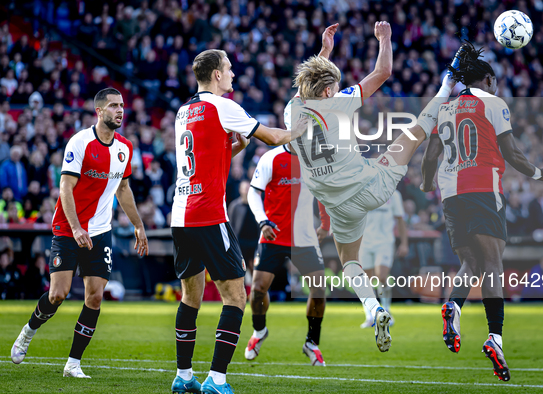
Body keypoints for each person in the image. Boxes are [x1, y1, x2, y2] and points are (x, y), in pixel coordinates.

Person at [285, 22, 445, 353]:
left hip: (339, 206)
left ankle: (372, 308)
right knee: (411, 134)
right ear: (330, 90)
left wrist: (325, 53)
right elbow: (383, 71)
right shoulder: (339, 102)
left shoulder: (292, 111)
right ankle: (447, 88)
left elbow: (306, 86)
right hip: (371, 186)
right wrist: (384, 38)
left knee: (350, 262)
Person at [420, 42, 543, 381]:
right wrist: (539, 174)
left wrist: (429, 183)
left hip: (452, 195)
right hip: (484, 189)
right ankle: (495, 336)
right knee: (492, 264)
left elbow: (430, 158)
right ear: (487, 79)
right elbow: (512, 154)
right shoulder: (493, 103)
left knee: (470, 263)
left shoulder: (444, 108)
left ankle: (454, 305)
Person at [170, 49, 307, 394]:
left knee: (191, 297)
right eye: (229, 69)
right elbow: (274, 138)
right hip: (208, 214)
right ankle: (217, 380)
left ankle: (183, 377)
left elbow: (208, 157)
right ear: (216, 74)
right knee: (235, 297)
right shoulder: (223, 106)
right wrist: (301, 128)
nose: (233, 74)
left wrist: (239, 146)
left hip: (181, 214)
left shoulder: (184, 111)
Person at [10, 88, 149, 378]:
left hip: (100, 231)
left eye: (122, 105)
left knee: (95, 297)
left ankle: (73, 363)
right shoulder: (80, 142)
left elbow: (123, 190)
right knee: (58, 294)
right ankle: (28, 330)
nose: (120, 110)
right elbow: (65, 188)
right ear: (99, 111)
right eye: (113, 106)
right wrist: (75, 228)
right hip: (68, 228)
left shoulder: (125, 148)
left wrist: (138, 225)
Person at [244, 143, 328, 366]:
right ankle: (259, 331)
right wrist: (262, 221)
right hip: (273, 233)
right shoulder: (271, 158)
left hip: (304, 236)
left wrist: (325, 223)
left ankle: (312, 342)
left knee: (319, 288)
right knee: (259, 289)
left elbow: (323, 192)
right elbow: (253, 192)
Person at [359, 189, 408, 328]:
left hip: (385, 242)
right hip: (365, 242)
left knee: (381, 276)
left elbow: (400, 220)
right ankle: (370, 315)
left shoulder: (394, 194)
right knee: (366, 281)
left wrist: (404, 243)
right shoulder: (361, 190)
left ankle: (386, 310)